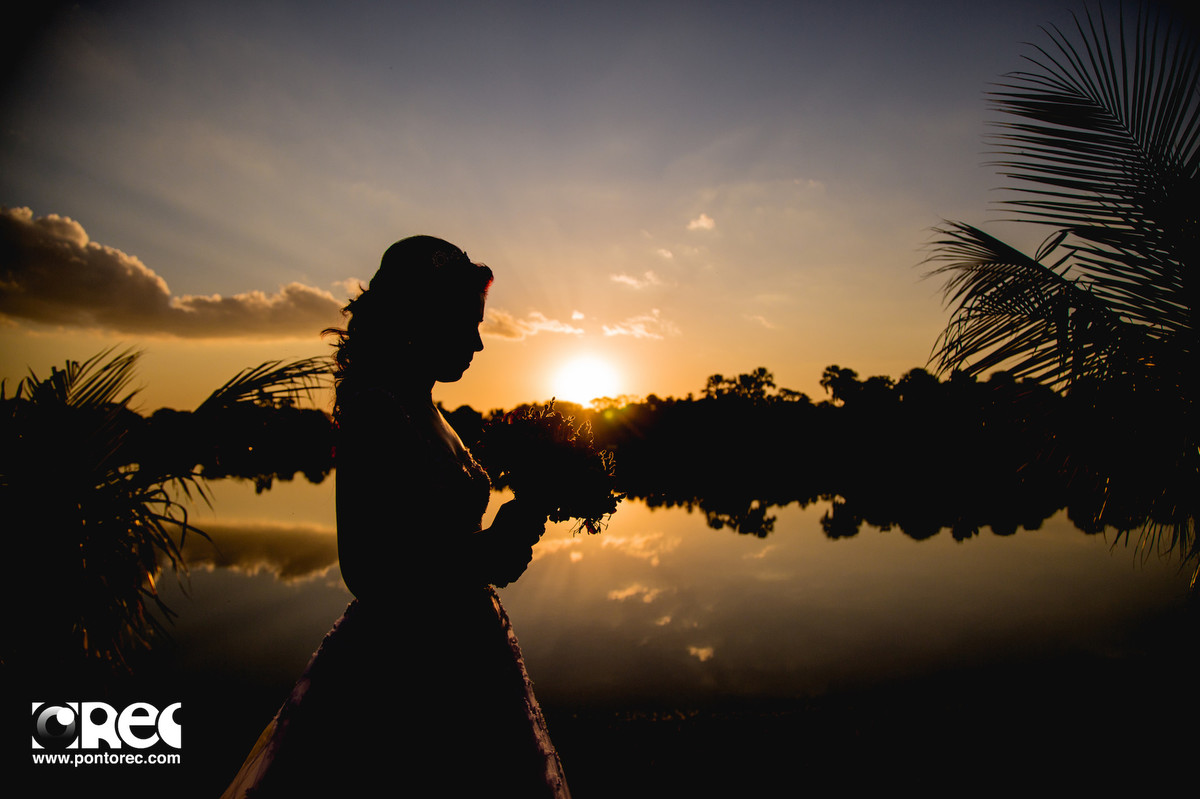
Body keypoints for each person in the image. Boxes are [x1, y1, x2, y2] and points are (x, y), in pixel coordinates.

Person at [221, 236, 571, 797]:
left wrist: (520, 520)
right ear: (421, 318)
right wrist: (487, 554)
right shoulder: (376, 409)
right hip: (403, 673)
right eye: (466, 322)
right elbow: (368, 571)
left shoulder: (428, 404)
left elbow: (435, 540)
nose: (480, 343)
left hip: (469, 656)